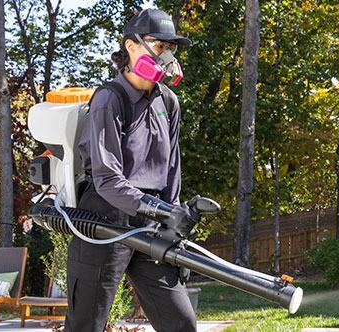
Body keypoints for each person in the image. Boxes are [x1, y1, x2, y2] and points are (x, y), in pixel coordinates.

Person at [67, 8, 198, 332]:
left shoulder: (169, 102)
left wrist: (173, 219)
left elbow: (172, 168)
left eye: (171, 47)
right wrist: (160, 210)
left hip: (151, 221)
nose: (166, 55)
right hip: (105, 217)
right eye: (159, 45)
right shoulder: (109, 99)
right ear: (131, 46)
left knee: (181, 322)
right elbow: (107, 178)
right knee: (86, 324)